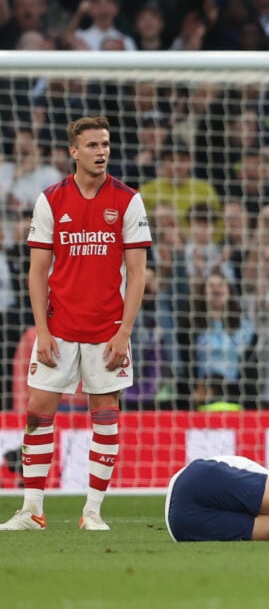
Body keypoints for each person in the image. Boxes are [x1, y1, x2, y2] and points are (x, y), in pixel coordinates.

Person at [0, 116, 152, 532]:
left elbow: (138, 274)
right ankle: (32, 510)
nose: (101, 151)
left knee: (105, 415)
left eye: (105, 144)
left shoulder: (127, 200)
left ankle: (92, 512)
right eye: (92, 145)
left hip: (108, 332)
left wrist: (125, 332)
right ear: (73, 151)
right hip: (59, 329)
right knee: (37, 412)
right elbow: (37, 272)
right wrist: (41, 332)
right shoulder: (50, 200)